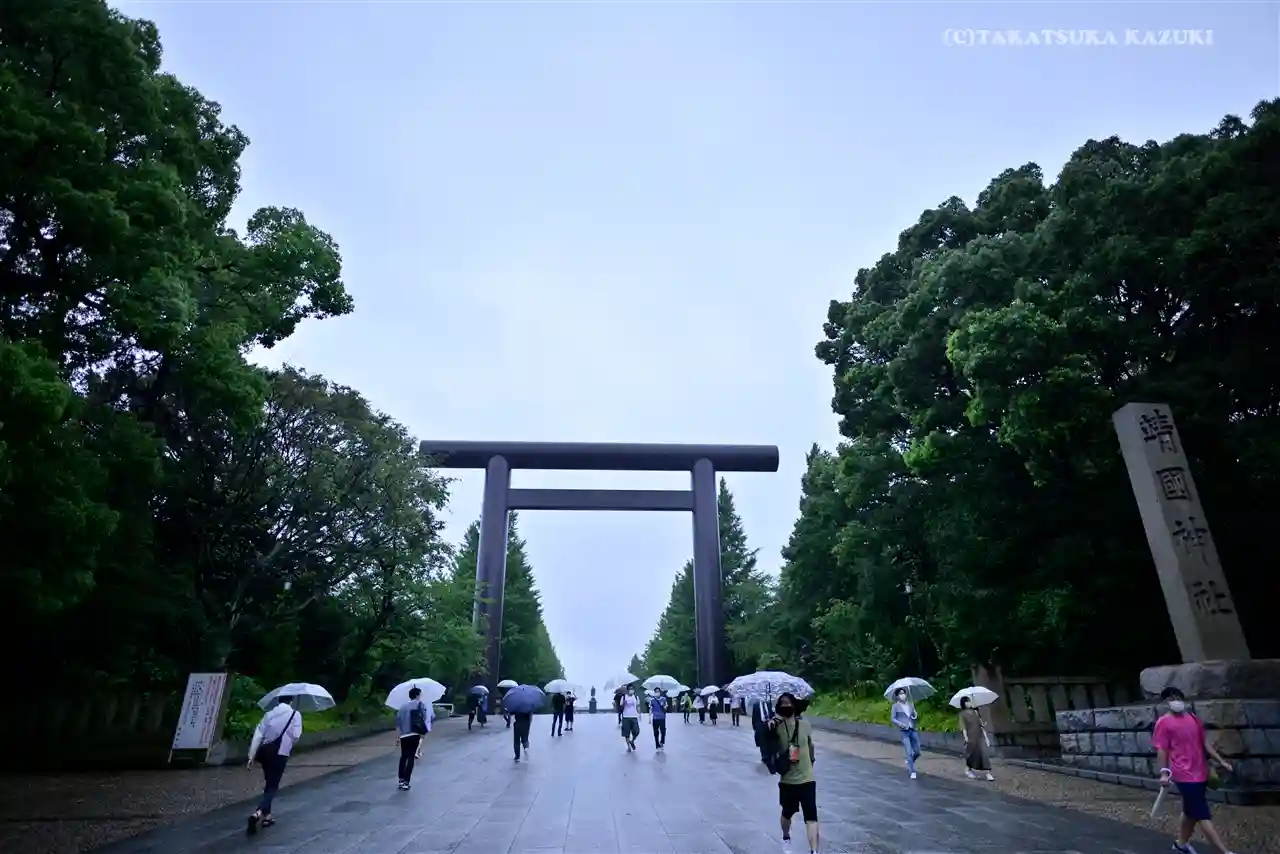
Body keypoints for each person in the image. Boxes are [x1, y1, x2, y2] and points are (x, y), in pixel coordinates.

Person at [1153, 686, 1238, 854]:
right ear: (1165, 703)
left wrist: (1221, 761)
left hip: (1200, 771)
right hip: (1183, 774)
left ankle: (1181, 844)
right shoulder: (1163, 722)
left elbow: (1204, 744)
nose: (1175, 701)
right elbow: (1162, 749)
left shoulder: (1193, 719)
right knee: (1202, 814)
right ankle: (1224, 852)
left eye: (1177, 697)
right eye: (1170, 698)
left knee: (1190, 810)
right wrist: (1163, 773)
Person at [766, 692, 819, 854]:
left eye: (788, 702)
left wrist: (811, 761)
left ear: (795, 705)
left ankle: (814, 851)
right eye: (782, 703)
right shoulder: (776, 726)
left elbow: (810, 745)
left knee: (811, 817)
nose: (786, 705)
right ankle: (785, 836)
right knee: (787, 814)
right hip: (788, 780)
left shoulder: (805, 725)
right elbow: (762, 740)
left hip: (807, 779)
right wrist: (769, 725)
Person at [245, 695, 303, 835]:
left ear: (278, 701)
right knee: (273, 786)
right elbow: (296, 736)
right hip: (281, 753)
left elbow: (258, 734)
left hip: (265, 753)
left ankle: (267, 816)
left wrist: (251, 756)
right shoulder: (295, 714)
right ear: (291, 701)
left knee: (269, 782)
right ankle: (258, 813)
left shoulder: (269, 714)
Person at [395, 687, 432, 790]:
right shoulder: (420, 705)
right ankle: (406, 781)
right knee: (411, 757)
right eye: (420, 694)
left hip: (403, 735)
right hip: (414, 733)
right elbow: (424, 717)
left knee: (403, 757)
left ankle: (401, 780)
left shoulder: (402, 707)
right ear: (417, 695)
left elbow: (398, 722)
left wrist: (398, 736)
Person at [958, 696, 993, 781]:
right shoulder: (962, 714)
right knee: (972, 755)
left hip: (979, 736)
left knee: (984, 754)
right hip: (971, 737)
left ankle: (988, 773)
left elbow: (981, 725)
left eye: (969, 701)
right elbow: (963, 728)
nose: (968, 703)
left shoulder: (975, 712)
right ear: (963, 704)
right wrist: (966, 738)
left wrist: (986, 737)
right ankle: (968, 770)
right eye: (966, 702)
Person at [891, 688, 921, 779]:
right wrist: (901, 724)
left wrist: (915, 714)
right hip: (904, 731)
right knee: (909, 751)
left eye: (904, 693)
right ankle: (912, 771)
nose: (903, 695)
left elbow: (913, 717)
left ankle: (910, 760)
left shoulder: (910, 705)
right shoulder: (895, 706)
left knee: (917, 752)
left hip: (912, 729)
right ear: (897, 696)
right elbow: (893, 718)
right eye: (900, 694)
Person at [752, 696, 775, 765]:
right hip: (760, 724)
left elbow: (772, 714)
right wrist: (755, 727)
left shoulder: (769, 704)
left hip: (768, 724)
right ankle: (764, 756)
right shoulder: (756, 705)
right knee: (762, 741)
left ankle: (770, 754)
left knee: (769, 740)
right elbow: (754, 716)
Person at [619, 685, 641, 752]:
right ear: (627, 690)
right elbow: (620, 707)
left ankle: (632, 741)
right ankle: (628, 747)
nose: (631, 690)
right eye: (630, 689)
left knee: (637, 731)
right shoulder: (623, 697)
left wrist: (639, 714)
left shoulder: (636, 697)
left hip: (634, 716)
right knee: (627, 733)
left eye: (632, 689)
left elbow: (638, 706)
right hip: (626, 717)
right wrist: (624, 703)